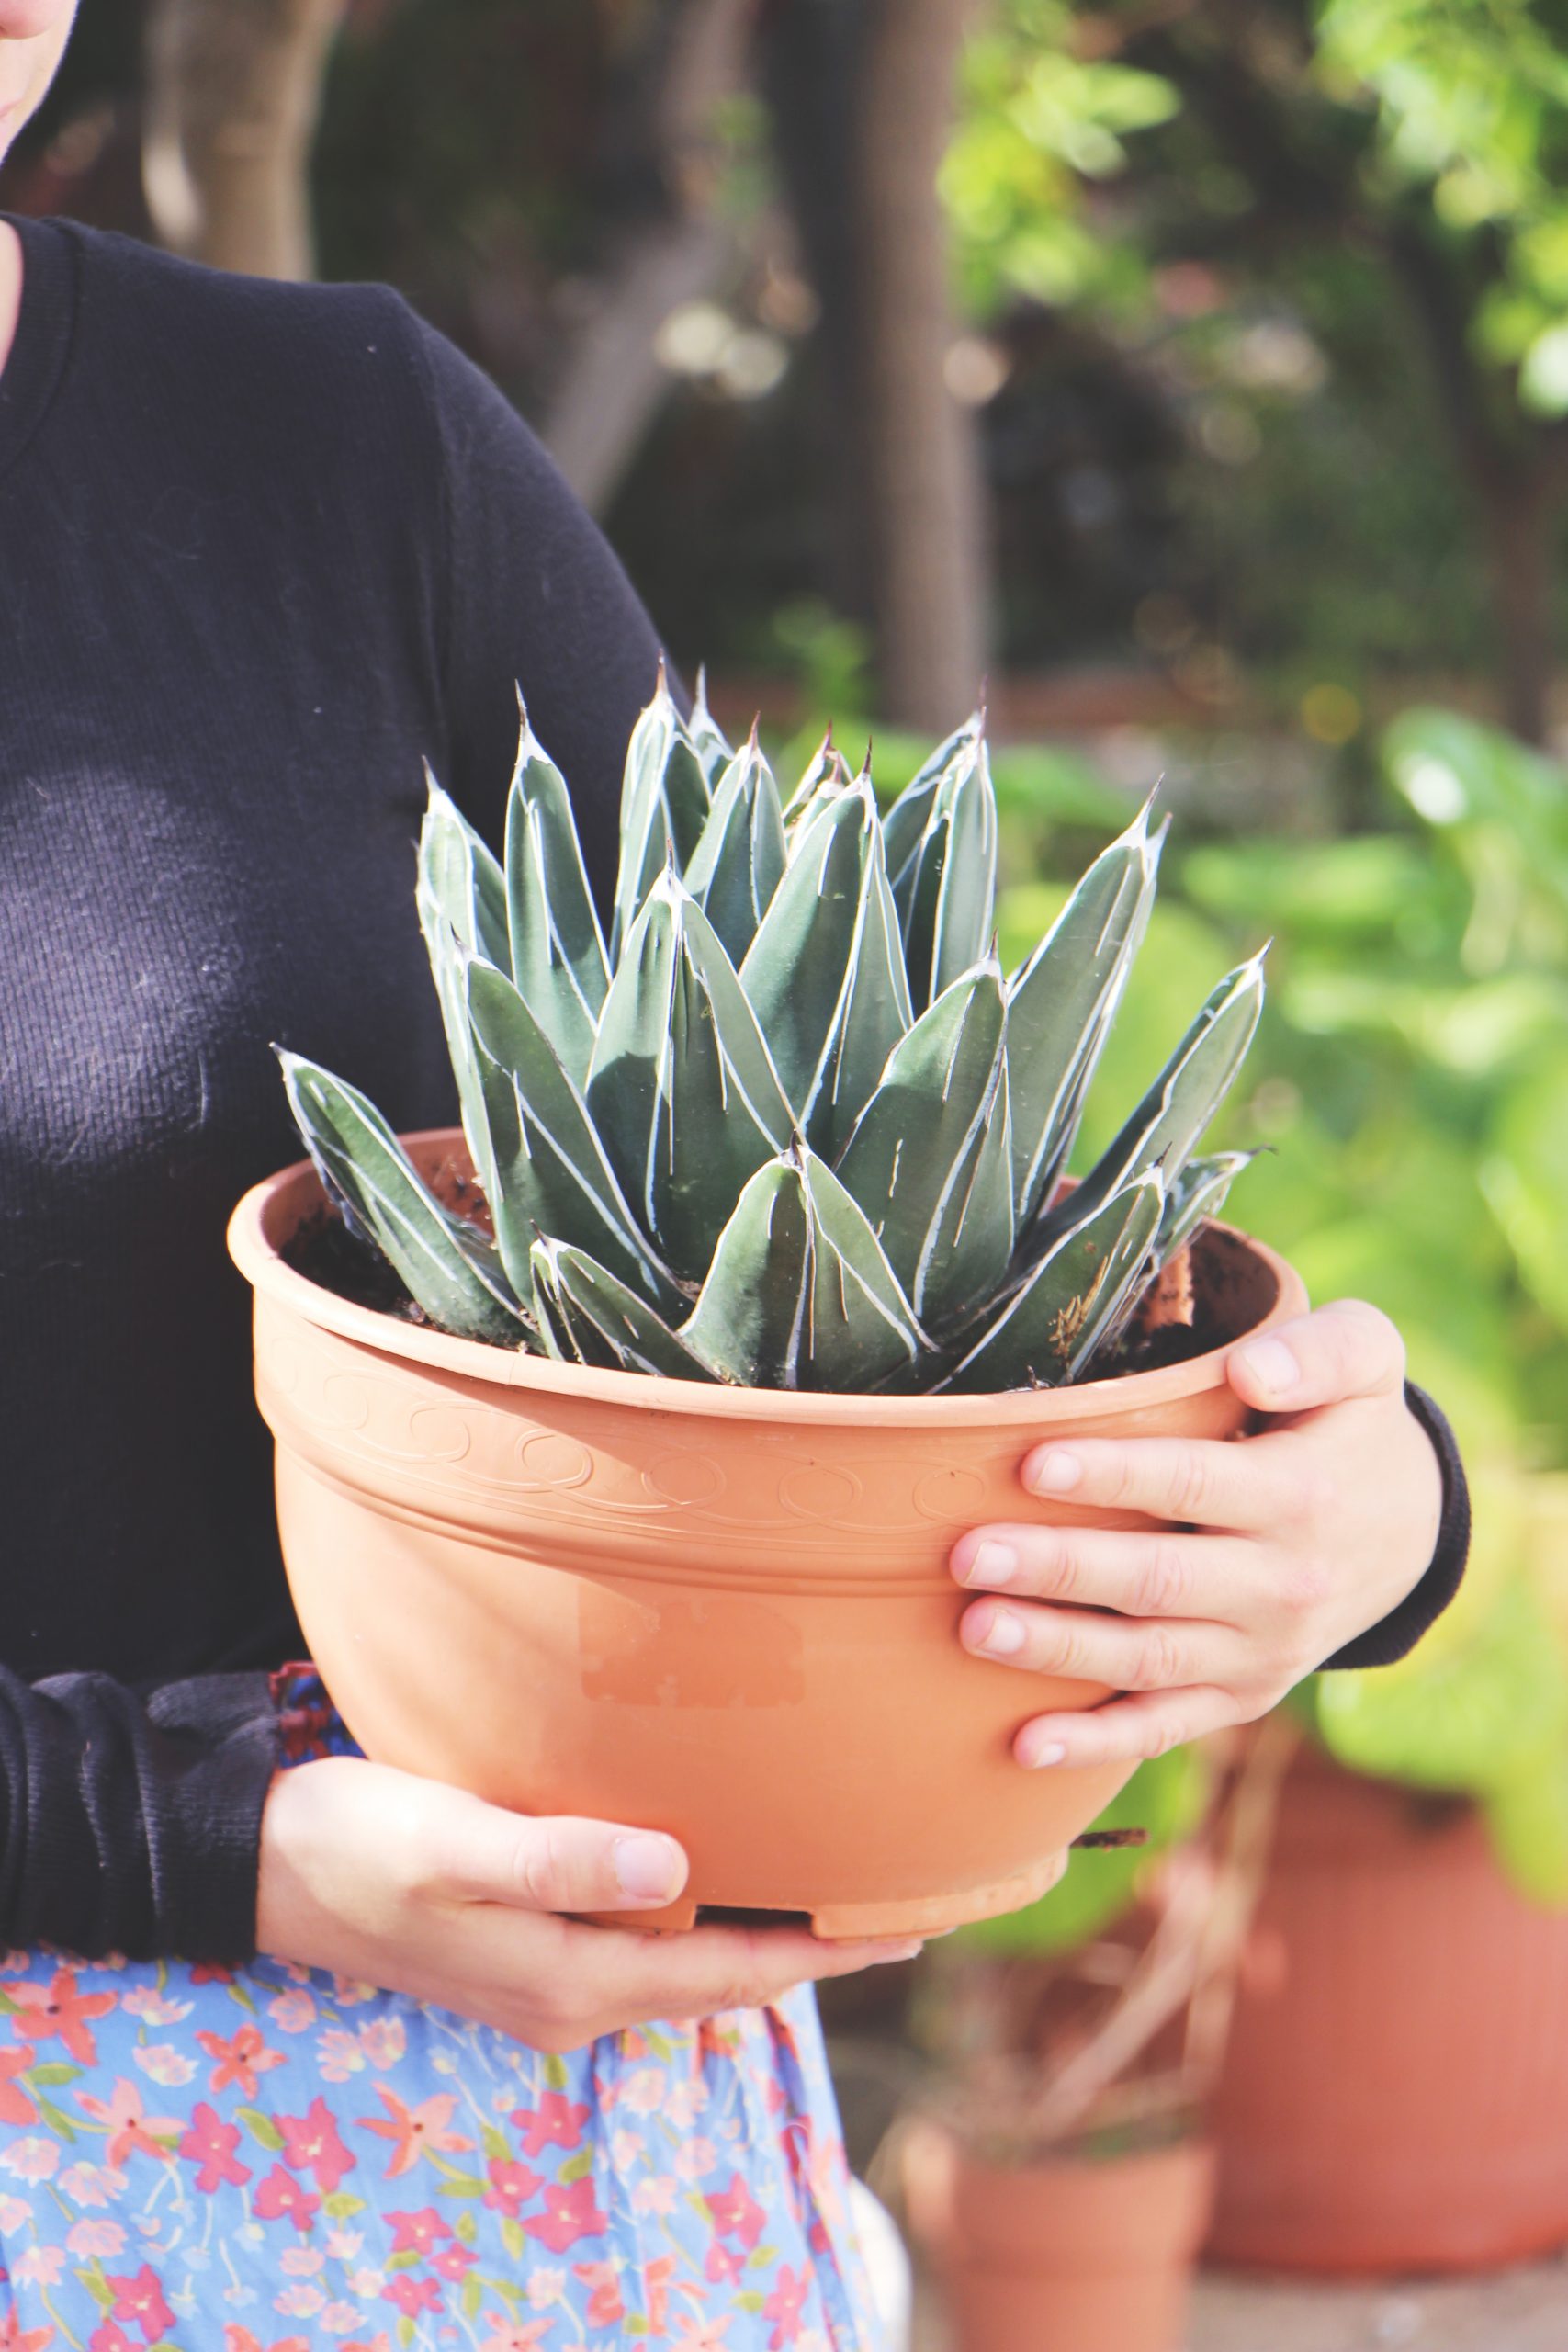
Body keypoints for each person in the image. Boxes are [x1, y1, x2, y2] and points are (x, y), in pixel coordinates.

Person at [0, 5, 1466, 2342]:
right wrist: (217, 1847)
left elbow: (800, 1171)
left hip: (537, 2141)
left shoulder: (337, 437)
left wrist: (1349, 1511)